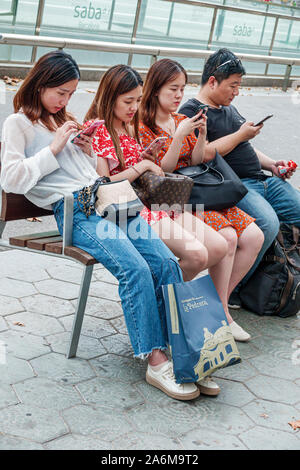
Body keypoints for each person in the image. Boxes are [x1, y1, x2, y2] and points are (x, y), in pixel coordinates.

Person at [0, 50, 201, 402]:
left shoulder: (63, 118)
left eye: (70, 93)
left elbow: (91, 173)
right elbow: (12, 179)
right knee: (136, 269)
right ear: (39, 84)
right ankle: (156, 361)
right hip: (77, 212)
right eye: (59, 92)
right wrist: (56, 146)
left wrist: (87, 148)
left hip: (110, 200)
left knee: (167, 263)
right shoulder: (18, 123)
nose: (64, 100)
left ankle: (181, 351)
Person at [83, 64, 231, 396]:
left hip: (142, 209)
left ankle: (180, 338)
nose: (134, 108)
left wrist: (143, 157)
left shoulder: (124, 127)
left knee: (188, 257)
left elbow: (141, 168)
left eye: (136, 101)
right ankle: (170, 341)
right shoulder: (101, 130)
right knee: (176, 259)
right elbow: (101, 183)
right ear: (110, 98)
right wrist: (142, 166)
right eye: (127, 101)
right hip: (121, 213)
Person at [139, 58, 264, 339]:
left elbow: (195, 161)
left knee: (254, 236)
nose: (178, 95)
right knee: (228, 239)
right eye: (172, 89)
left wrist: (201, 137)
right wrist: (178, 138)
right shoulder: (144, 124)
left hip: (199, 190)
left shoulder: (181, 120)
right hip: (173, 199)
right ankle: (210, 310)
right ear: (155, 89)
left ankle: (217, 307)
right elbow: (164, 170)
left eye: (182, 89)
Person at [178, 48, 300, 308]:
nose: (236, 92)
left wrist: (273, 165)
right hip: (235, 186)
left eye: (239, 86)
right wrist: (240, 135)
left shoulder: (229, 109)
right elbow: (201, 155)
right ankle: (230, 290)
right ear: (212, 81)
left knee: (297, 211)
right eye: (233, 85)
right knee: (266, 223)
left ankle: (275, 275)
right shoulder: (192, 110)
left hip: (265, 179)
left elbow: (246, 148)